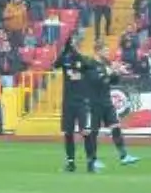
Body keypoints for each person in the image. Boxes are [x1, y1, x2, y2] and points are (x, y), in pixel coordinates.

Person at [86, 41, 141, 169]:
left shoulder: (106, 64)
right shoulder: (91, 64)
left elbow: (113, 81)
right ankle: (92, 160)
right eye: (105, 51)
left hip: (107, 101)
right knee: (94, 132)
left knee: (116, 127)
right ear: (98, 51)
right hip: (95, 102)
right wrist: (111, 71)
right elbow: (95, 81)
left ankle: (124, 156)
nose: (107, 53)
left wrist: (117, 72)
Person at [54, 35, 97, 173]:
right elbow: (55, 64)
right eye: (71, 45)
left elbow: (88, 65)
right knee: (68, 133)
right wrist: (65, 50)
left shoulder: (84, 60)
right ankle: (71, 162)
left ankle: (90, 162)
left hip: (81, 101)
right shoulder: (66, 60)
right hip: (68, 102)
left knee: (85, 132)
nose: (73, 47)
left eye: (74, 45)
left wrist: (76, 54)